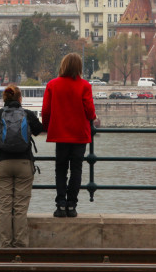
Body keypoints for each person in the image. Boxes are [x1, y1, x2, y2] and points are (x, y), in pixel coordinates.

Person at [0, 84, 43, 248]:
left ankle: (6, 244)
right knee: (20, 207)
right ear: (20, 98)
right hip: (24, 163)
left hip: (3, 164)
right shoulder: (28, 114)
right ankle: (21, 244)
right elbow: (39, 129)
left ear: (4, 98)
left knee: (4, 206)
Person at [42, 53, 99, 218]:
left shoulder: (52, 84)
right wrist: (92, 117)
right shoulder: (85, 86)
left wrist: (47, 127)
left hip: (60, 133)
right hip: (79, 134)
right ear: (79, 68)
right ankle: (72, 206)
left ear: (63, 66)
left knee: (60, 169)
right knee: (76, 170)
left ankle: (60, 205)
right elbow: (89, 111)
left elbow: (45, 110)